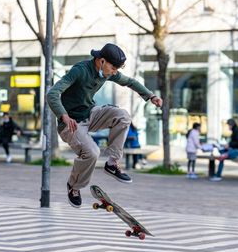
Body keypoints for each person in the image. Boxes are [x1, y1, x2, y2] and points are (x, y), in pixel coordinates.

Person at [47, 43, 162, 207]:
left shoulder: (108, 72)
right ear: (101, 61)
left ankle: (112, 164)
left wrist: (150, 96)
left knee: (123, 116)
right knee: (92, 152)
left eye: (117, 69)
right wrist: (63, 115)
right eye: (113, 68)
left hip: (90, 113)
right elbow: (53, 93)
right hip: (70, 124)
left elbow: (129, 81)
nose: (115, 72)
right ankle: (74, 186)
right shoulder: (79, 70)